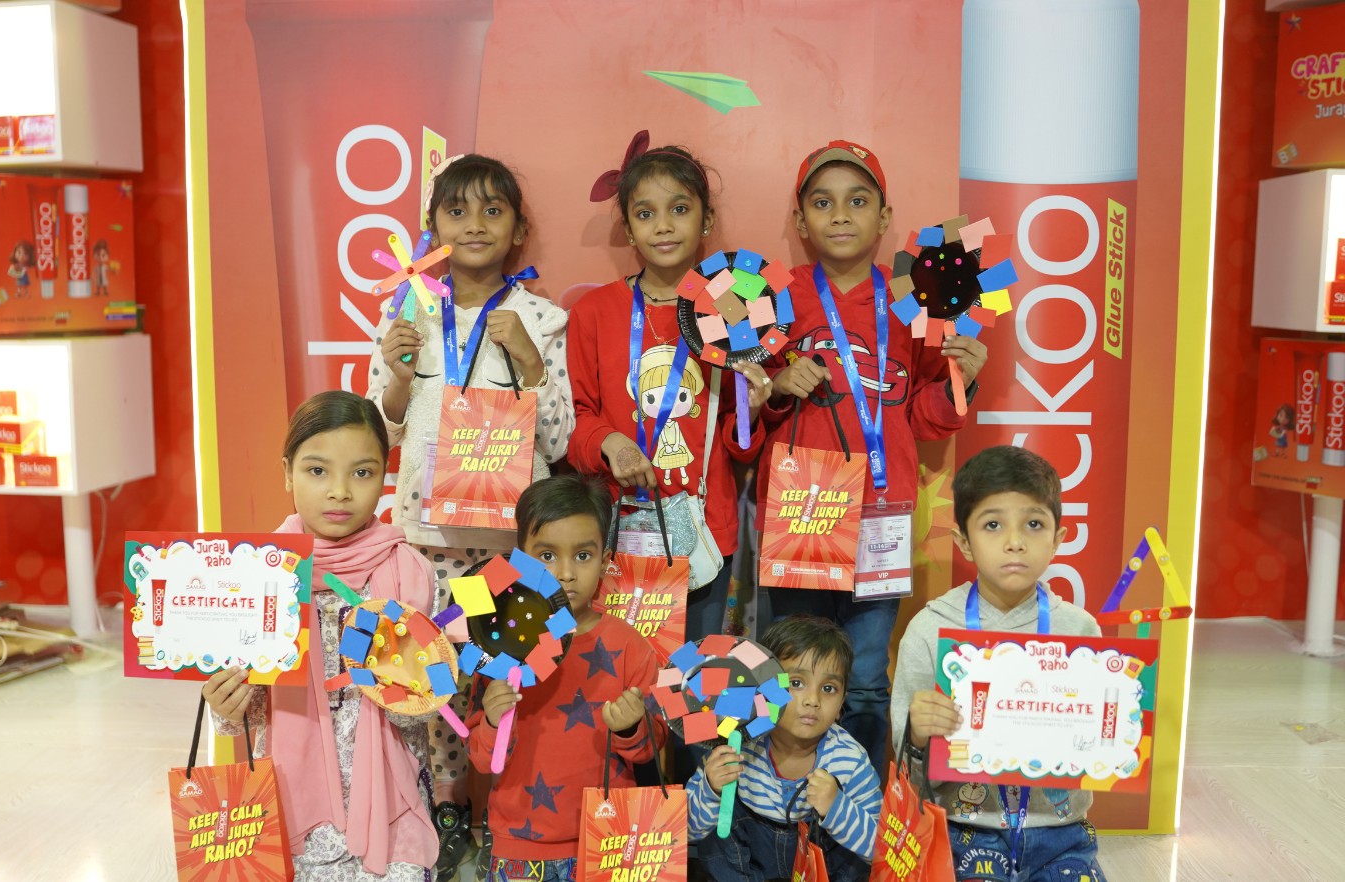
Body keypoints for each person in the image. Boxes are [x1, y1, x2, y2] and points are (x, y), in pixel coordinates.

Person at [366, 153, 573, 875]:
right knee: (437, 680)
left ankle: (511, 812)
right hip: (430, 539)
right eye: (457, 211)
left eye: (493, 210)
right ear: (433, 229)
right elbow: (380, 431)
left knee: (511, 678)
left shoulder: (542, 318)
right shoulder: (408, 312)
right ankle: (449, 808)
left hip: (508, 541)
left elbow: (559, 441)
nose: (475, 224)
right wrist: (397, 377)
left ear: (518, 228)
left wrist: (532, 365)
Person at [761, 140, 989, 774]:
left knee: (863, 675)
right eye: (823, 203)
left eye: (858, 201)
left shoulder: (914, 297)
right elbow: (743, 409)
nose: (840, 215)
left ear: (884, 217)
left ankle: (858, 800)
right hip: (801, 512)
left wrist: (961, 380)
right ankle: (785, 798)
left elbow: (923, 416)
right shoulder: (774, 297)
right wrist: (776, 387)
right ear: (800, 221)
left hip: (880, 513)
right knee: (793, 671)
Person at [201, 390, 443, 880]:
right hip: (294, 807)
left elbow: (429, 705)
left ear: (384, 475)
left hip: (393, 808)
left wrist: (414, 686)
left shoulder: (410, 572)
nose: (340, 491)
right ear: (287, 473)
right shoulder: (257, 574)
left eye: (362, 472)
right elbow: (243, 712)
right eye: (317, 471)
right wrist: (226, 704)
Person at [568, 130, 771, 644]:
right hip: (616, 531)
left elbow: (742, 448)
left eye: (679, 209)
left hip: (705, 533)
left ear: (706, 220)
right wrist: (611, 442)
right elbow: (575, 421)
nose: (663, 225)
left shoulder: (734, 311)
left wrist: (751, 409)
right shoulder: (594, 313)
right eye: (645, 213)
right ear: (629, 230)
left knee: (691, 677)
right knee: (615, 670)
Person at [891, 445, 1107, 882]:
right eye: (993, 525)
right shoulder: (931, 629)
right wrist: (916, 730)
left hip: (1062, 833)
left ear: (1058, 539)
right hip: (962, 830)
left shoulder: (1079, 630)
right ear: (963, 543)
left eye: (1034, 524)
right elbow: (904, 757)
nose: (1015, 541)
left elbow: (1099, 746)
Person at [466, 475, 667, 882]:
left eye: (583, 555)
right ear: (518, 560)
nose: (566, 573)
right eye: (546, 556)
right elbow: (482, 759)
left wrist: (631, 727)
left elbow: (652, 748)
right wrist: (492, 720)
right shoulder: (497, 643)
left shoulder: (630, 645)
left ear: (605, 560)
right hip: (519, 848)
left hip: (609, 843)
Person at [687, 615, 881, 882]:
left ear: (841, 704)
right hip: (750, 863)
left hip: (821, 866)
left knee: (855, 860)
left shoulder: (850, 760)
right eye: (796, 683)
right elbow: (687, 831)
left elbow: (882, 851)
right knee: (717, 829)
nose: (813, 700)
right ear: (764, 688)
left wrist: (837, 808)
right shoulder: (737, 740)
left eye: (829, 688)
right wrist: (711, 788)